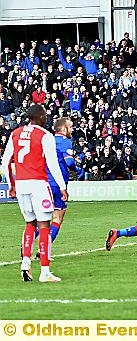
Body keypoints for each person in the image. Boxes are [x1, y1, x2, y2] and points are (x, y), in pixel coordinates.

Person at [1, 104, 68, 282]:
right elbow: (53, 164)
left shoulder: (15, 133)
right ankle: (45, 271)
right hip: (38, 184)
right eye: (45, 116)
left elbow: (5, 162)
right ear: (40, 117)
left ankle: (25, 262)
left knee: (30, 224)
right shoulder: (45, 136)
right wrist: (62, 187)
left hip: (21, 185)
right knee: (44, 226)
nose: (46, 118)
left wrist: (11, 185)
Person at [42, 118, 79, 250]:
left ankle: (26, 245)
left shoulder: (48, 140)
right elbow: (69, 162)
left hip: (44, 182)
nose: (72, 129)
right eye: (70, 127)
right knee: (57, 217)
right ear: (63, 129)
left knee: (41, 218)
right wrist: (77, 169)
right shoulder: (65, 142)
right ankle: (44, 248)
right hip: (58, 184)